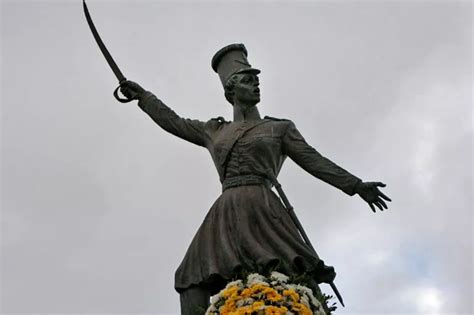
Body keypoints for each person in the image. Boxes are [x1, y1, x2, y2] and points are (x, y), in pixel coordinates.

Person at [120, 43, 391, 314]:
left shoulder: (279, 128)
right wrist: (144, 97)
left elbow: (313, 160)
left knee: (294, 269)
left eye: (257, 81)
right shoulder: (213, 130)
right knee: (190, 277)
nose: (256, 85)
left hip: (263, 205)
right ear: (231, 90)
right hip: (225, 211)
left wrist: (355, 185)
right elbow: (174, 122)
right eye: (248, 81)